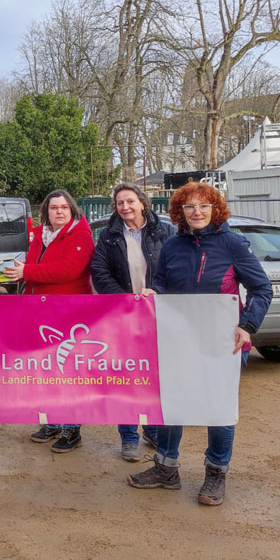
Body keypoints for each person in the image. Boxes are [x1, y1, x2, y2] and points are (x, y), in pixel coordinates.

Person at [127, 182, 272, 506]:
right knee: (171, 403)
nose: (197, 212)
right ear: (180, 211)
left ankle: (216, 473)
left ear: (214, 209)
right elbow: (162, 283)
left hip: (224, 344)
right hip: (179, 341)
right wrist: (155, 293)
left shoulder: (233, 244)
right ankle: (166, 468)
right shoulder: (173, 245)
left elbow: (262, 289)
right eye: (189, 206)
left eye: (203, 206)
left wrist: (247, 325)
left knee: (217, 408)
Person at [4, 189, 94, 453]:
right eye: (54, 208)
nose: (59, 212)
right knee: (46, 370)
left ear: (72, 210)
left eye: (64, 207)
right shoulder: (40, 236)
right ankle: (53, 420)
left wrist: (27, 271)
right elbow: (32, 265)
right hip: (40, 311)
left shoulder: (81, 235)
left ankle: (72, 429)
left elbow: (70, 270)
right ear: (46, 211)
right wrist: (19, 273)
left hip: (67, 312)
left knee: (69, 373)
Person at [91, 183, 176, 462]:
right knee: (124, 376)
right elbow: (100, 272)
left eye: (130, 201)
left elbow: (174, 269)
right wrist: (125, 300)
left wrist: (157, 294)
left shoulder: (165, 231)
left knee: (153, 376)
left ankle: (152, 428)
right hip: (122, 315)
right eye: (119, 203)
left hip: (157, 314)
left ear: (142, 202)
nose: (125, 207)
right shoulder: (108, 236)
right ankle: (128, 436)